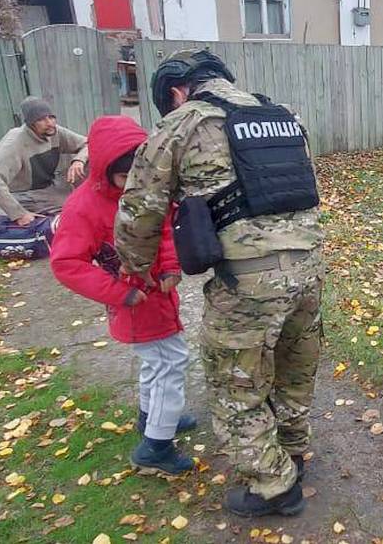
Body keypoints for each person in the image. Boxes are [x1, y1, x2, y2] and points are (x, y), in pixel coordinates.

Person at [114, 49, 324, 518]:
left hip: (247, 280)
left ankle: (273, 487)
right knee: (294, 367)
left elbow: (139, 212)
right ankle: (290, 452)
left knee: (236, 382)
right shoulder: (282, 115)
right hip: (309, 268)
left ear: (175, 92)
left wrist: (137, 265)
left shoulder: (181, 124)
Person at [50, 115, 196, 475]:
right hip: (135, 304)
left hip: (158, 296)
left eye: (139, 174)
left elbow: (162, 228)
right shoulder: (83, 208)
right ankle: (156, 448)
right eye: (124, 176)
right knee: (170, 362)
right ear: (104, 170)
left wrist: (170, 266)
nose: (134, 183)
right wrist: (119, 293)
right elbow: (67, 262)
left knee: (157, 362)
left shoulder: (144, 192)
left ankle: (154, 420)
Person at [0, 96, 88, 225]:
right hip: (26, 194)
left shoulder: (54, 131)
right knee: (76, 215)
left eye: (51, 117)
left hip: (49, 188)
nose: (50, 123)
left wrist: (79, 161)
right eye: (41, 119)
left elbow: (89, 143)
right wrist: (18, 214)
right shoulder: (15, 142)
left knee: (85, 201)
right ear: (30, 123)